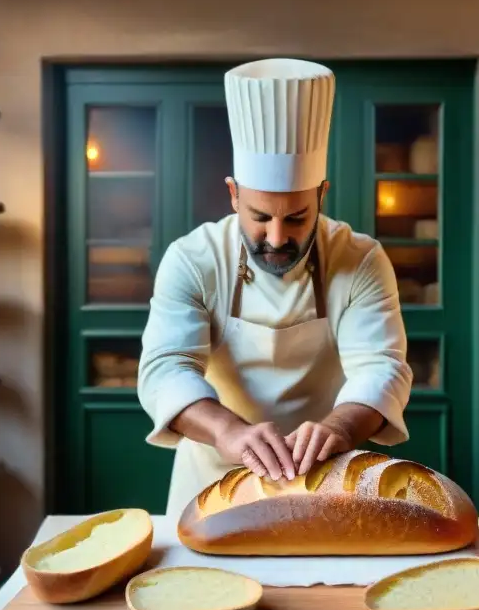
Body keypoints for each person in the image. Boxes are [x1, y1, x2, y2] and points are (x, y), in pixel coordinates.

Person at [138, 58, 413, 517]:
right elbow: (166, 368)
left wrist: (341, 428)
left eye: (297, 217)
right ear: (233, 195)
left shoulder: (360, 258)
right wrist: (229, 431)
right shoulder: (192, 258)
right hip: (214, 478)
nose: (277, 237)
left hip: (325, 476)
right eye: (260, 217)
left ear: (321, 194)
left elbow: (381, 365)